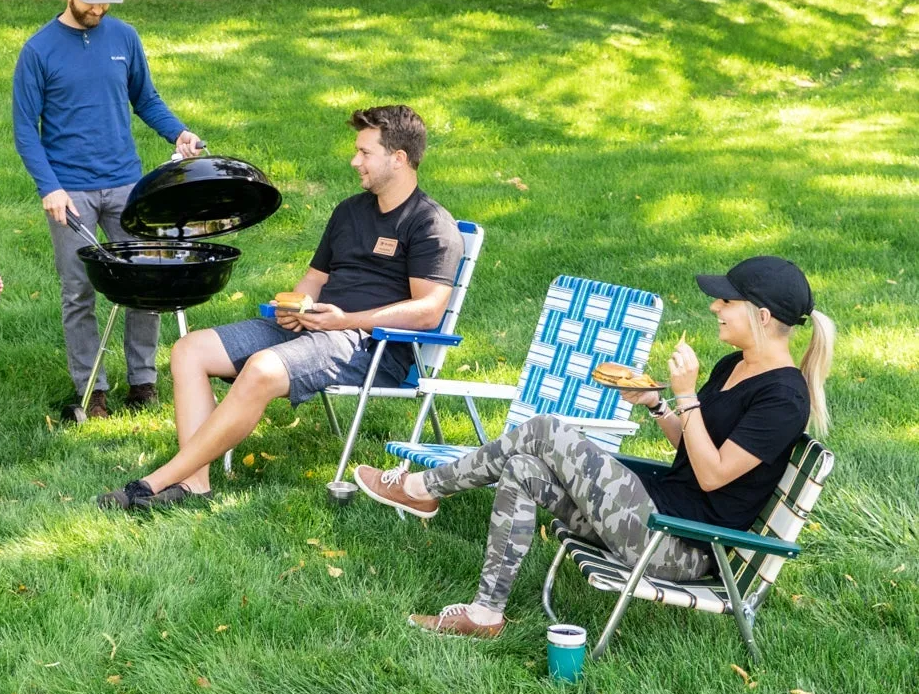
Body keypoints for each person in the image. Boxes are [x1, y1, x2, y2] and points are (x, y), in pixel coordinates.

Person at [354, 256, 836, 638]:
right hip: (653, 513)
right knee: (523, 466)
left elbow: (712, 475)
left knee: (545, 430)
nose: (715, 308)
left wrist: (685, 393)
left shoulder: (783, 398)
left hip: (678, 544)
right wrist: (658, 406)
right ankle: (484, 615)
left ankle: (419, 487)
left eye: (726, 302)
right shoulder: (734, 364)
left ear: (763, 316)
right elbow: (694, 449)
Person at [99, 105, 463, 510]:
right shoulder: (349, 211)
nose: (354, 160)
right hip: (315, 326)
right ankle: (195, 484)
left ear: (398, 158)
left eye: (365, 152)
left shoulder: (430, 224)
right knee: (189, 350)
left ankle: (158, 481)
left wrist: (344, 320)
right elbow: (315, 279)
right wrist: (297, 305)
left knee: (261, 368)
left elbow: (429, 311)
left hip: (369, 344)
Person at [13, 0, 202, 420]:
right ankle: (91, 388)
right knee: (79, 290)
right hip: (70, 192)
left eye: (105, 1)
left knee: (146, 282)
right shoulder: (38, 50)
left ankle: (143, 381)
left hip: (126, 183)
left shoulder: (124, 37)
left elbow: (147, 99)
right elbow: (24, 130)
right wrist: (48, 187)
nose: (98, 9)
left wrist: (176, 131)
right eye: (89, 0)